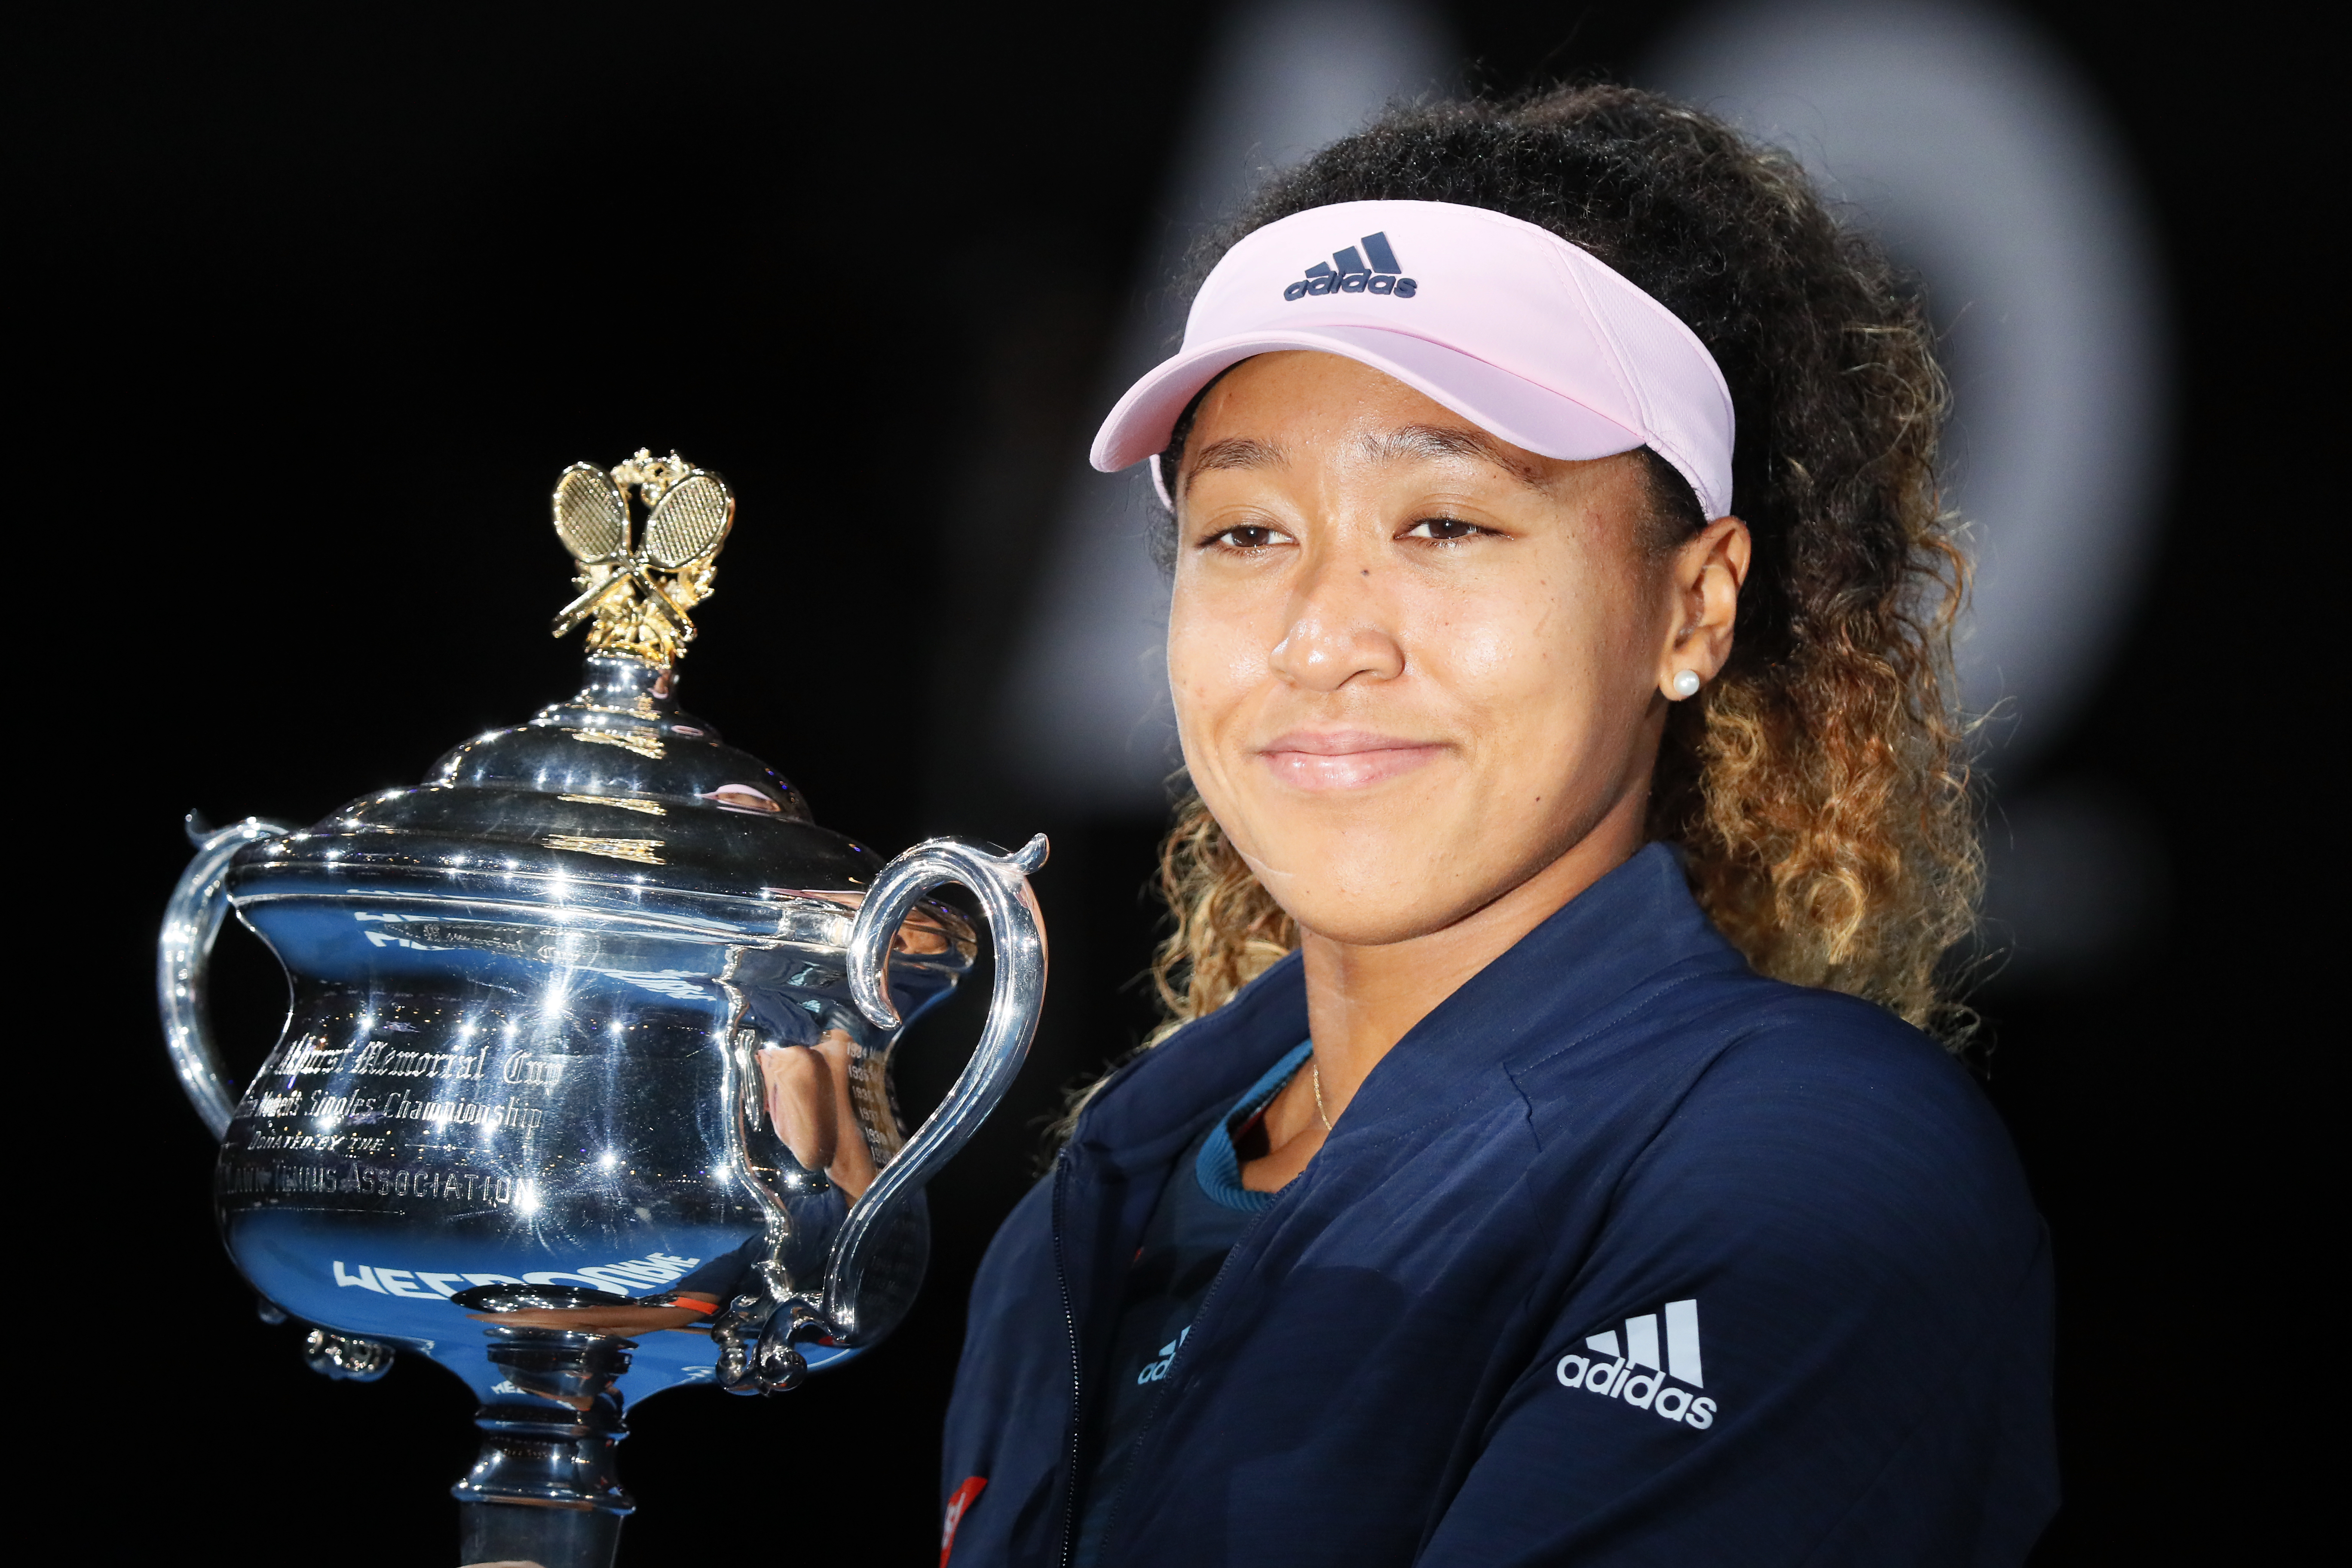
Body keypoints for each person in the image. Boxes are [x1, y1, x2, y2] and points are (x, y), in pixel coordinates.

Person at [939, 85, 2055, 1566]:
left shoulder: (1806, 1166)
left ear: (1693, 606)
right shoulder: (1080, 1225)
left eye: (1447, 523)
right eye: (1245, 534)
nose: (1323, 636)